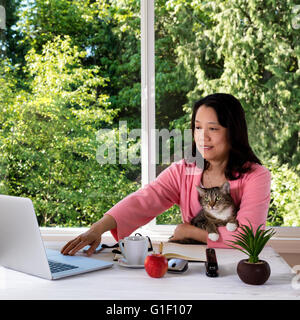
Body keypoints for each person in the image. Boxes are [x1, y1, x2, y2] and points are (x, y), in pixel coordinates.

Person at [61, 93, 271, 256]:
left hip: (233, 269)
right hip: (190, 264)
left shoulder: (256, 176)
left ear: (232, 131)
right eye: (197, 128)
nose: (202, 137)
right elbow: (144, 200)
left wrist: (190, 231)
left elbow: (247, 238)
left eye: (213, 129)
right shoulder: (184, 170)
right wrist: (97, 229)